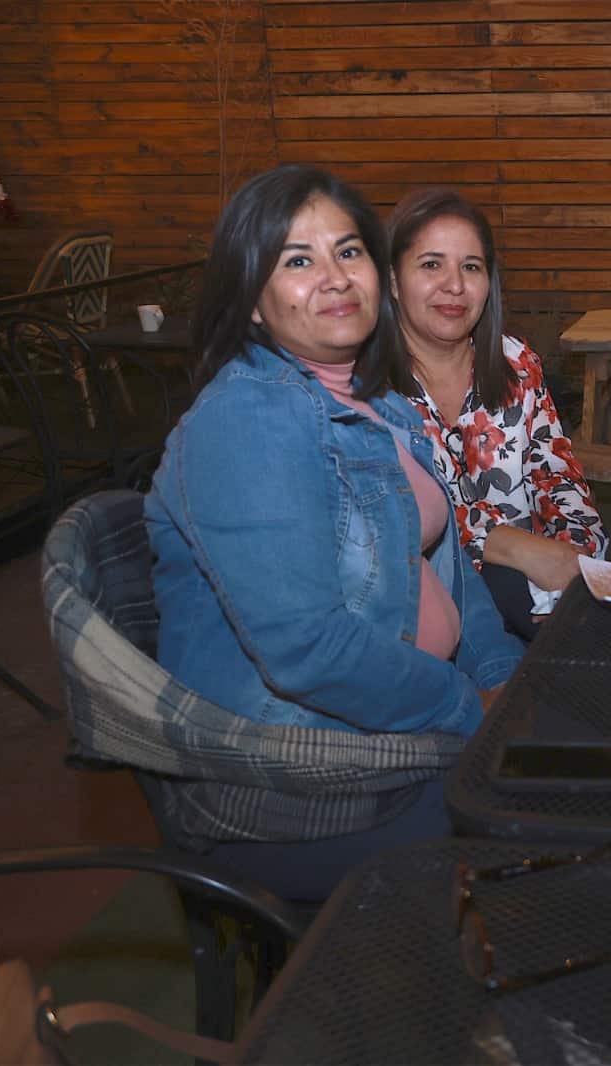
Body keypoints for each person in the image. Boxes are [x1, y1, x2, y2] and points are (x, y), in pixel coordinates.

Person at [145, 165, 524, 898]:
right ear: (252, 300)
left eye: (348, 252)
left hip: (400, 730)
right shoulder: (246, 422)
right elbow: (306, 652)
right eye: (297, 260)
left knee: (592, 765)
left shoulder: (380, 403)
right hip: (298, 783)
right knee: (562, 836)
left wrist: (504, 680)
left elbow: (449, 571)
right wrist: (464, 709)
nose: (335, 278)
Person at [388, 188, 606, 641]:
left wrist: (575, 554)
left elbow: (556, 475)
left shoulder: (515, 363)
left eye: (471, 266)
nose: (455, 285)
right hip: (428, 603)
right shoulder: (366, 390)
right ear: (392, 280)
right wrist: (509, 543)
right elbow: (395, 522)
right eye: (431, 265)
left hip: (533, 594)